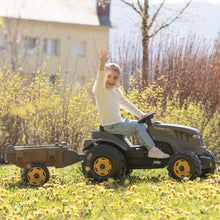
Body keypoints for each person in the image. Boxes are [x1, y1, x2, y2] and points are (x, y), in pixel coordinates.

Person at [93, 49, 170, 159]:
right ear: (104, 76)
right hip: (110, 126)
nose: (111, 80)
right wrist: (102, 64)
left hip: (119, 123)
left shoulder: (116, 92)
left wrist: (141, 115)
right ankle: (152, 150)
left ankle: (146, 150)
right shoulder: (100, 90)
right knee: (138, 127)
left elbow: (127, 105)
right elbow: (99, 78)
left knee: (142, 125)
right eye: (109, 76)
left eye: (115, 77)